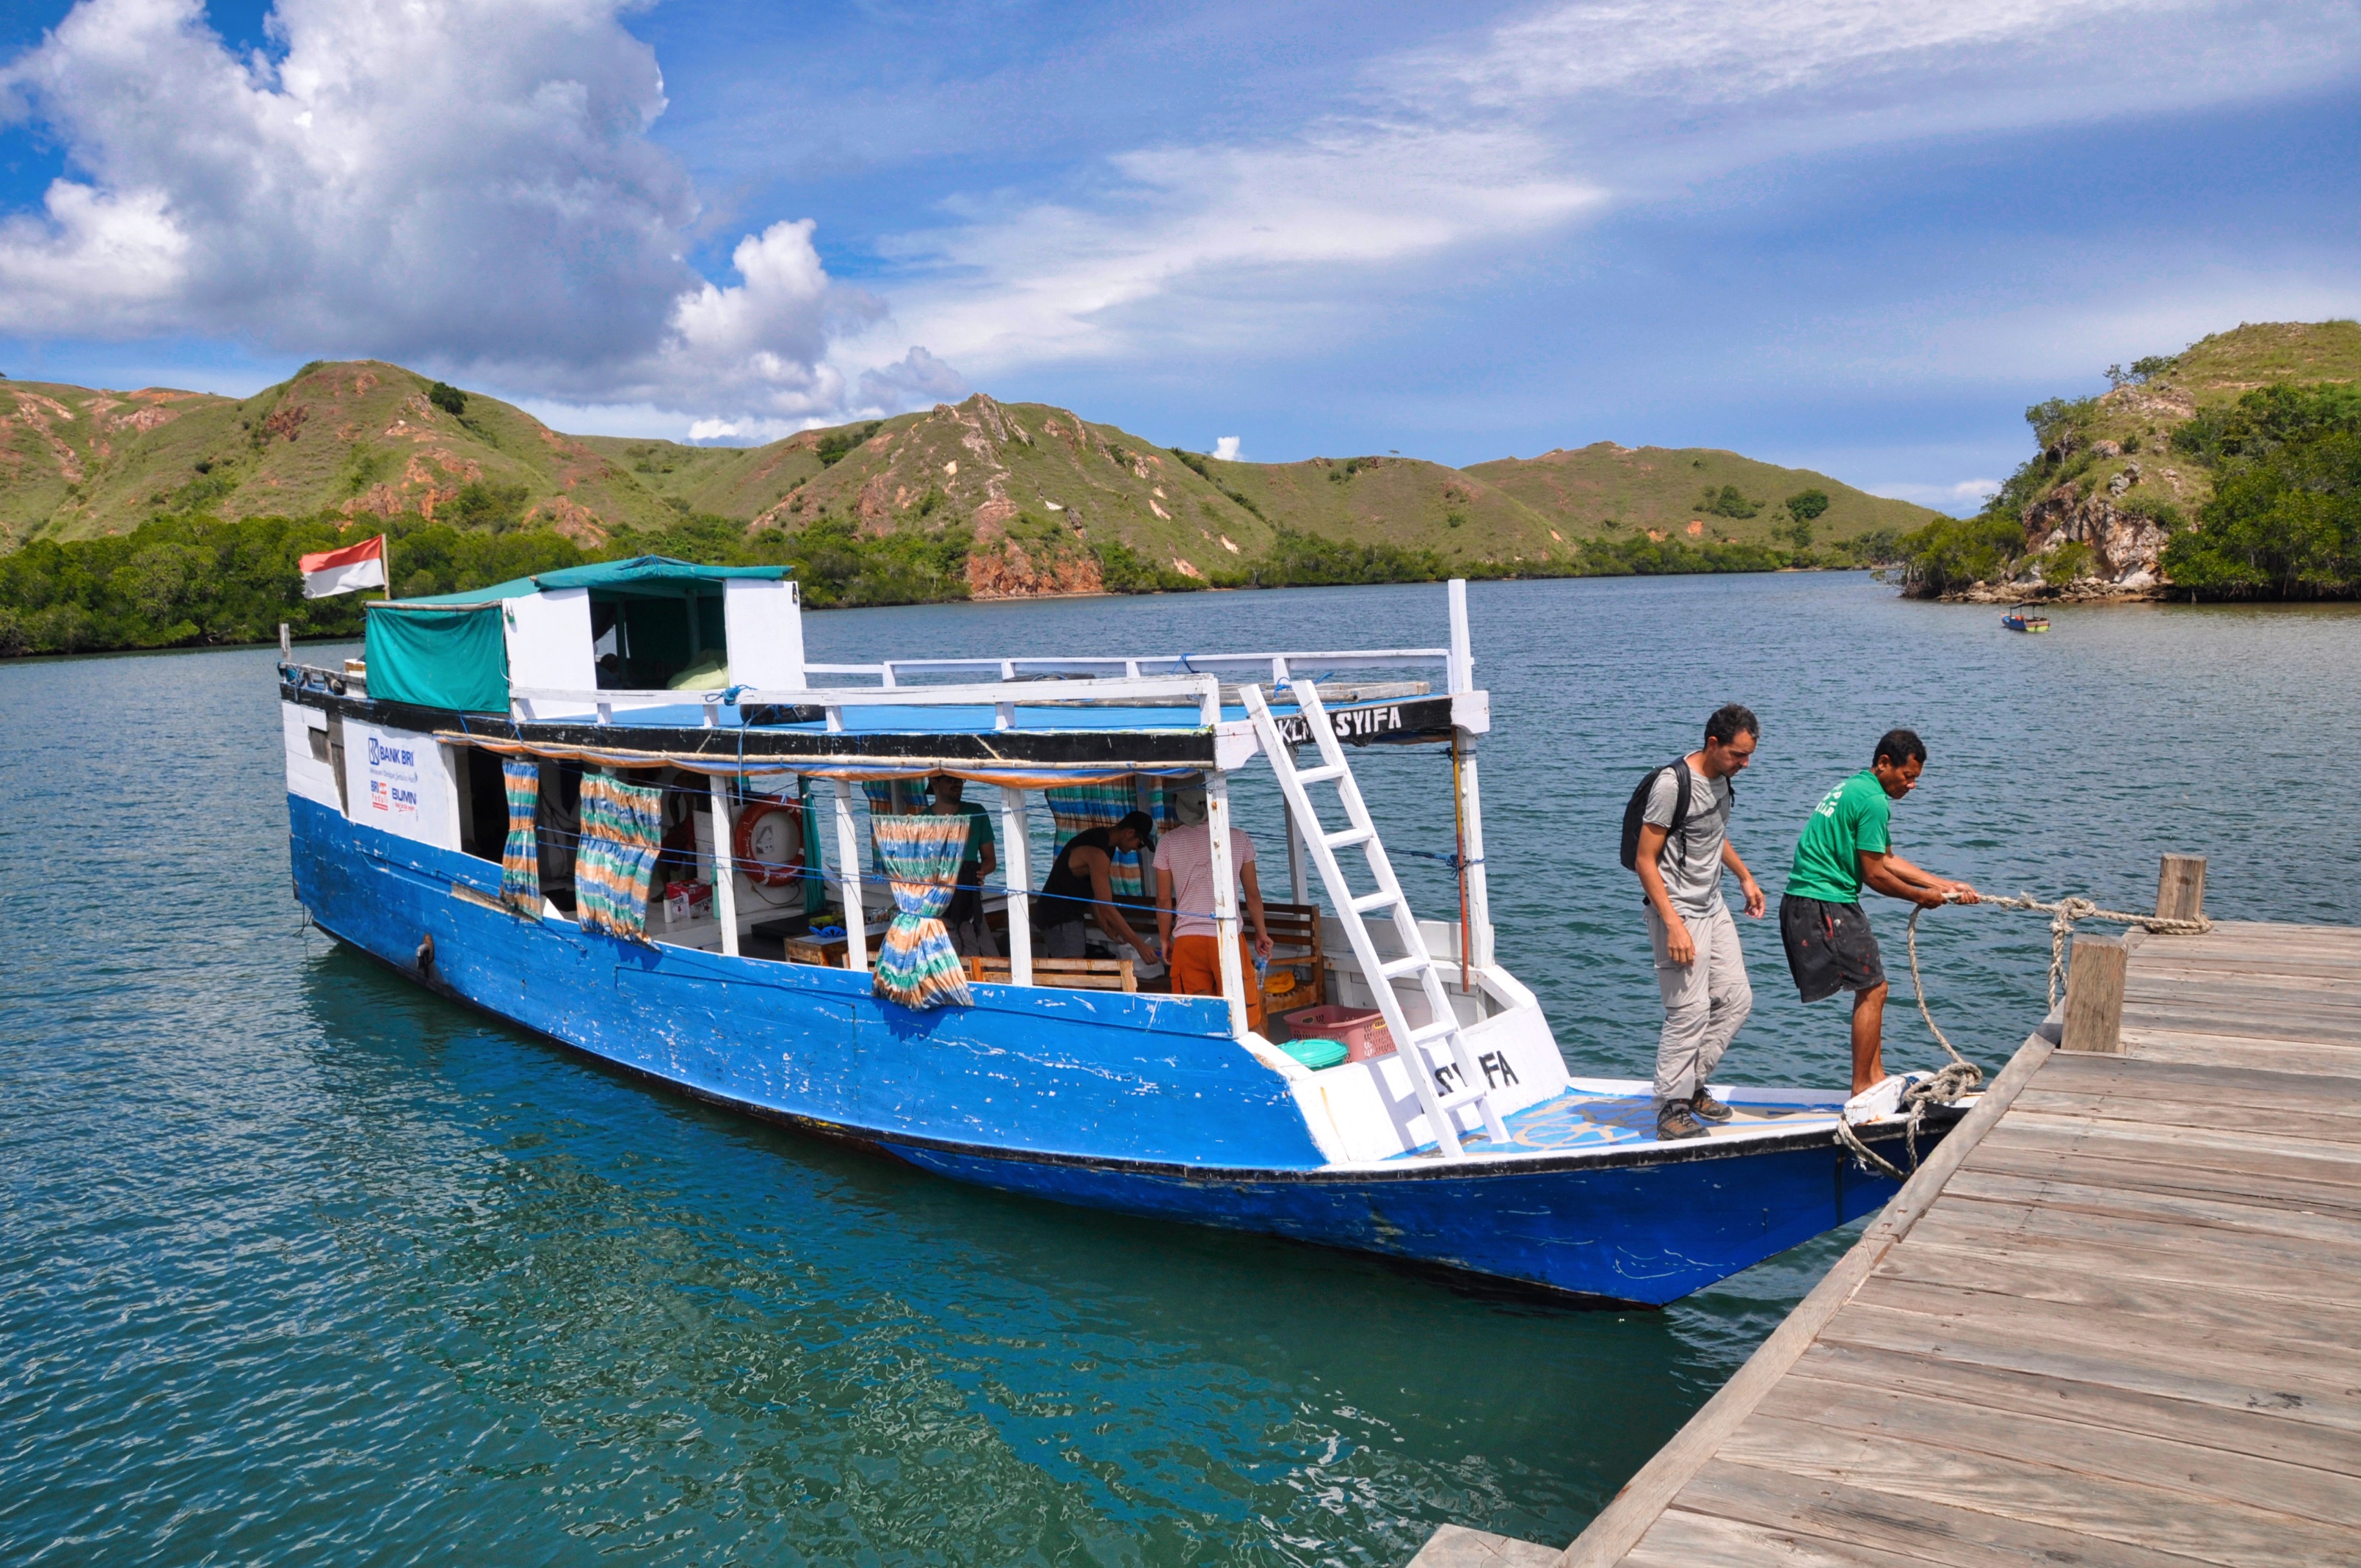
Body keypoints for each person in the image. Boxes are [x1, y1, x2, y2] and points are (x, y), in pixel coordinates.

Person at [1782, 729, 1981, 1095]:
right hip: (1823, 901)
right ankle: (1863, 1087)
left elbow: (1886, 858)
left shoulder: (1856, 788)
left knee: (1874, 987)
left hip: (1814, 899)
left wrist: (1944, 884)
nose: (1912, 786)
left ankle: (1875, 1077)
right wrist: (1923, 897)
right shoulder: (1874, 801)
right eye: (1908, 777)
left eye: (1917, 779)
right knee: (1874, 989)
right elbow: (1874, 875)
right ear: (1885, 764)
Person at [1633, 703, 1766, 1141]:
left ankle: (1689, 1088)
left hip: (1714, 904)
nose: (1745, 765)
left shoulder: (1722, 779)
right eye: (1738, 755)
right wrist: (1672, 923)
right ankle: (1670, 1109)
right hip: (1678, 910)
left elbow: (1712, 833)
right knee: (1688, 1011)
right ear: (1713, 744)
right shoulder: (1673, 785)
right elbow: (1644, 859)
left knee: (1735, 999)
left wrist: (1745, 877)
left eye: (1749, 756)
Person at [1154, 783, 1272, 1031]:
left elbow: (1164, 900)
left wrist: (1165, 939)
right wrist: (1261, 933)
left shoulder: (1167, 843)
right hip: (1227, 939)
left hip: (1189, 942)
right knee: (1248, 1020)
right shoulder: (1239, 839)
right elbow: (1253, 895)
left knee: (1198, 1022)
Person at [1037, 810, 1159, 965]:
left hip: (1066, 914)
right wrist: (1140, 946)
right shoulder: (1098, 853)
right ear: (1130, 833)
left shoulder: (1103, 841)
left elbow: (1091, 893)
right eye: (1140, 844)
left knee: (1073, 971)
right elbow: (1106, 907)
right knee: (1074, 974)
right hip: (1059, 915)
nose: (1138, 849)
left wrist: (1106, 927)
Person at [929, 774, 998, 957]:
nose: (957, 784)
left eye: (960, 780)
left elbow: (990, 860)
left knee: (988, 955)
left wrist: (981, 872)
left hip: (970, 899)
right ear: (934, 783)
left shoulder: (977, 812)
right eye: (951, 780)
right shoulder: (923, 821)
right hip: (938, 905)